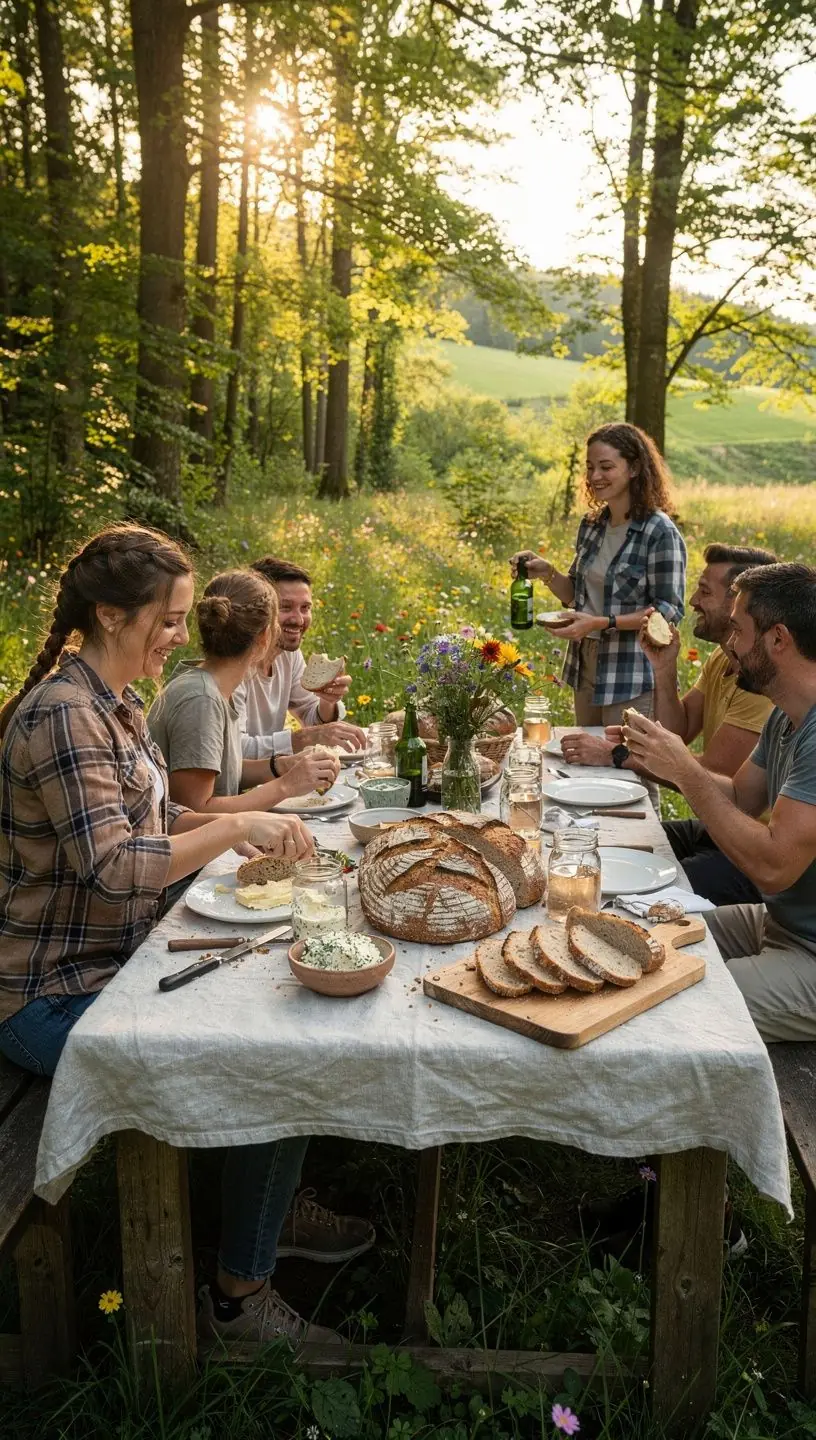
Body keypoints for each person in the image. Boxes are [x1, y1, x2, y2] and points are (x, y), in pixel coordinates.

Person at [0, 525, 370, 1348]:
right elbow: (119, 868)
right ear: (109, 615)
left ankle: (265, 1215)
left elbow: (160, 816)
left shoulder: (117, 700)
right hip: (50, 994)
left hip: (120, 961)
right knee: (273, 1061)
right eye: (167, 619)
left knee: (286, 1015)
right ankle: (239, 1297)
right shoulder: (64, 714)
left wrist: (240, 828)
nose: (181, 633)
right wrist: (240, 824)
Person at [624, 562, 816, 1043]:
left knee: (660, 1003)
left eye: (737, 628)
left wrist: (685, 770)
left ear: (778, 639)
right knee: (628, 937)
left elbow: (773, 867)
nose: (728, 642)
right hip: (778, 923)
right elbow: (741, 797)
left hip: (810, 956)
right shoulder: (786, 717)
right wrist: (669, 764)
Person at [560, 543, 778, 905]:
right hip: (714, 831)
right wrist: (663, 667)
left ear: (737, 603)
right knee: (600, 848)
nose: (692, 600)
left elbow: (713, 785)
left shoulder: (760, 684)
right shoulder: (720, 662)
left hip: (746, 848)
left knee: (620, 893)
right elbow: (679, 734)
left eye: (705, 591)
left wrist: (619, 756)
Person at [510, 422, 687, 726]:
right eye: (590, 467)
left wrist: (601, 623)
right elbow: (576, 594)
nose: (594, 477)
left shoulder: (659, 531)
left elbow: (668, 612)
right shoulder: (592, 525)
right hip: (585, 661)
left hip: (630, 667)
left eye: (606, 467)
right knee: (586, 760)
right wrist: (548, 573)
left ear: (633, 468)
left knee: (627, 764)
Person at [148, 569, 340, 814]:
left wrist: (280, 766)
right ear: (265, 638)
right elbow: (195, 811)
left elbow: (222, 772)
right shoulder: (201, 700)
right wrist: (287, 785)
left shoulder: (210, 686)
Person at [235, 556, 366, 760]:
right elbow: (235, 751)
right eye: (285, 607)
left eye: (305, 608)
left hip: (266, 779)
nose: (298, 620)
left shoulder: (288, 655)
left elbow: (311, 717)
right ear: (258, 611)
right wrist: (302, 739)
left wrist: (328, 700)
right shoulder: (234, 664)